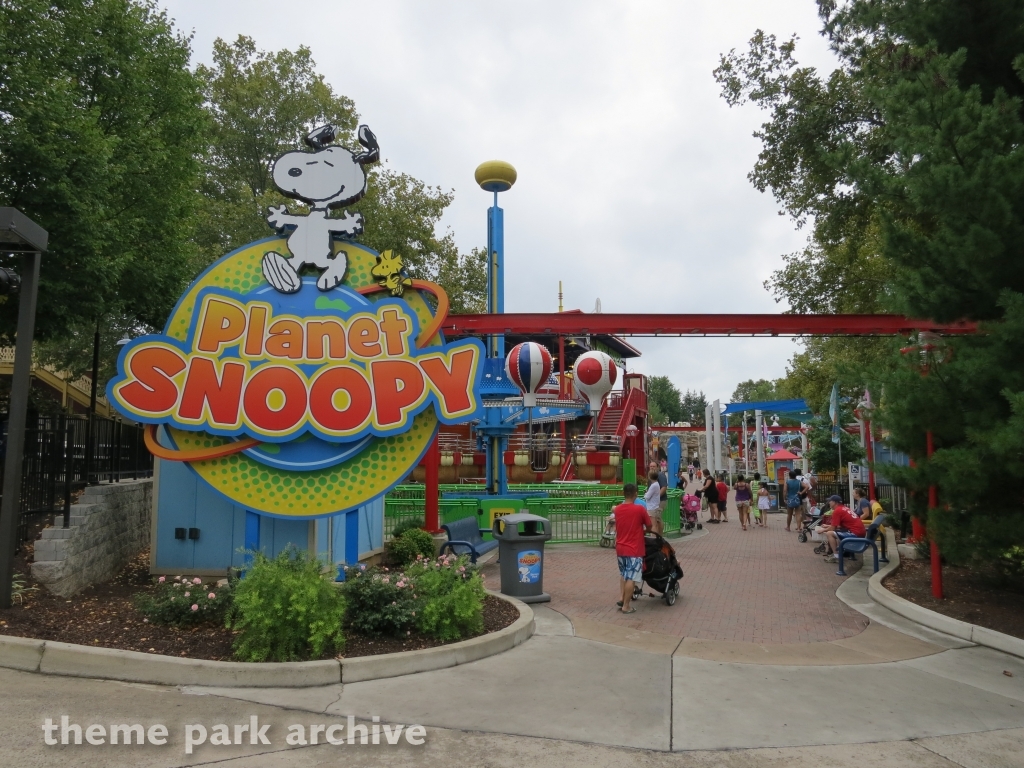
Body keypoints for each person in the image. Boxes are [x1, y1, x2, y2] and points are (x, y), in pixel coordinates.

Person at [612, 483, 652, 613]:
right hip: (634, 548)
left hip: (620, 548)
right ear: (635, 494)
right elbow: (649, 525)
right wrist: (644, 532)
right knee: (632, 577)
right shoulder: (639, 509)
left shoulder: (617, 509)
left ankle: (622, 598)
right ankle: (626, 606)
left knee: (623, 574)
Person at [819, 495, 866, 563]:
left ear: (835, 502)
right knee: (837, 533)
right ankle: (838, 554)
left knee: (829, 533)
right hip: (860, 532)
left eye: (830, 501)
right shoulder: (844, 508)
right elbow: (838, 526)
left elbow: (832, 528)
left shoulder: (837, 511)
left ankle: (836, 556)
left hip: (855, 534)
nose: (829, 502)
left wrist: (822, 530)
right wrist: (827, 526)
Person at [650, 461, 669, 530]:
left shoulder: (660, 475)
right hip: (654, 502)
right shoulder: (651, 476)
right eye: (651, 466)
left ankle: (659, 536)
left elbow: (664, 487)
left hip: (661, 501)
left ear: (657, 467)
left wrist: (656, 497)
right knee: (656, 519)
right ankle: (658, 536)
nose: (652, 468)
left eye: (653, 466)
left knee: (657, 519)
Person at [644, 470, 663, 535]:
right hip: (656, 506)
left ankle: (654, 538)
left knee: (653, 525)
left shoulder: (653, 486)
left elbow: (647, 497)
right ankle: (659, 537)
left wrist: (645, 493)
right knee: (657, 523)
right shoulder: (657, 484)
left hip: (651, 507)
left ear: (650, 477)